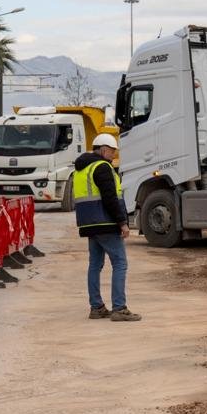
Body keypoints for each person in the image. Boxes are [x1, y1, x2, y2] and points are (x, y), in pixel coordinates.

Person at [71, 133, 140, 322]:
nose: (113, 156)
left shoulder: (81, 169)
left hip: (89, 223)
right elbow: (110, 198)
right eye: (111, 151)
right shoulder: (102, 167)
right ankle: (119, 308)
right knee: (120, 263)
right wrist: (123, 223)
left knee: (95, 265)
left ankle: (97, 307)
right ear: (103, 150)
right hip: (106, 222)